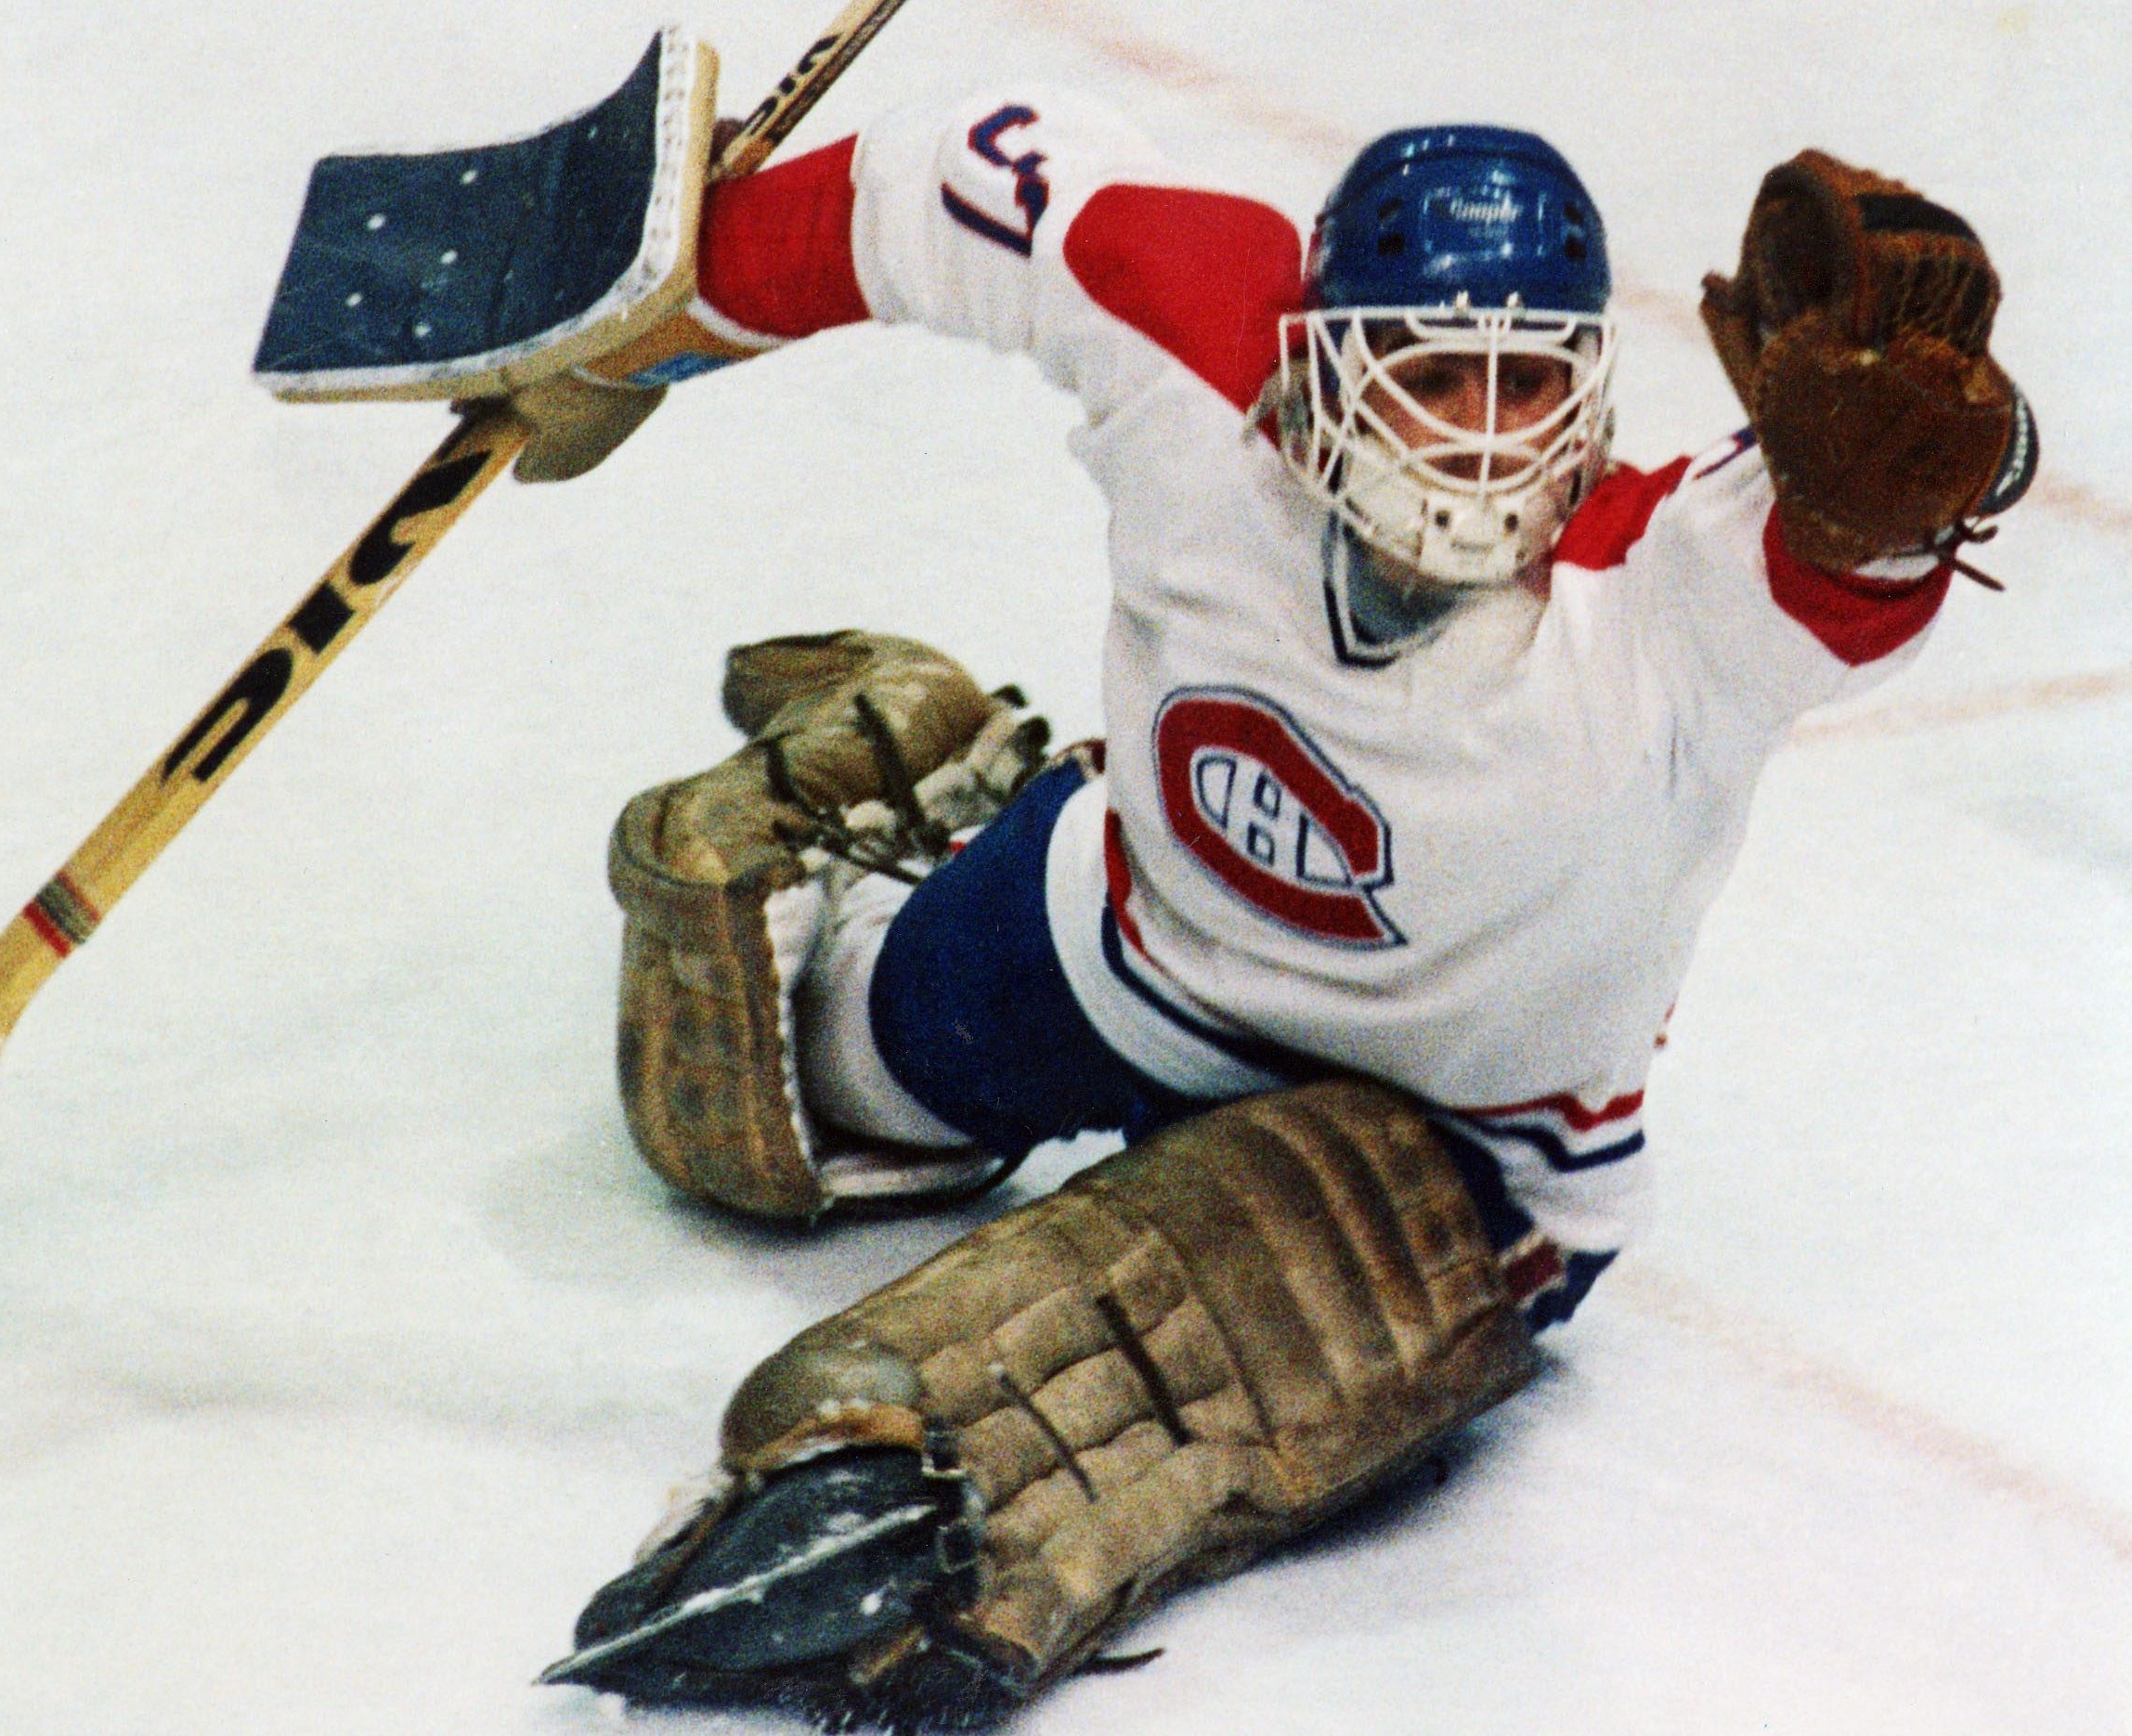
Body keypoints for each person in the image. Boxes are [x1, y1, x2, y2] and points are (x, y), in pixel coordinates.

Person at [544, 89, 2035, 1727]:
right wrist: (661, 319)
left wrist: (1899, 500)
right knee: (730, 1095)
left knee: (1119, 1346)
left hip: (1456, 1145)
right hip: (1127, 941)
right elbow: (925, 192)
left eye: (1527, 380)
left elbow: (1853, 549)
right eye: (1430, 374)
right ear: (1325, 358)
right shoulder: (1201, 342)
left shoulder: (1673, 598)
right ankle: (950, 779)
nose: (1479, 434)